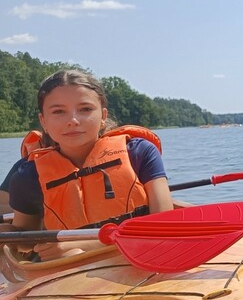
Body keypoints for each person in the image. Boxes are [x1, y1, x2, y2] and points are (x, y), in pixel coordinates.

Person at [0, 70, 174, 260]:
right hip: (70, 268)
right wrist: (9, 234)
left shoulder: (139, 152)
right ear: (44, 121)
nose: (73, 121)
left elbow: (164, 227)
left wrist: (86, 244)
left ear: (103, 116)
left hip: (142, 258)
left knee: (74, 251)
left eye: (85, 109)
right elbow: (26, 240)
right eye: (58, 111)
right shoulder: (28, 175)